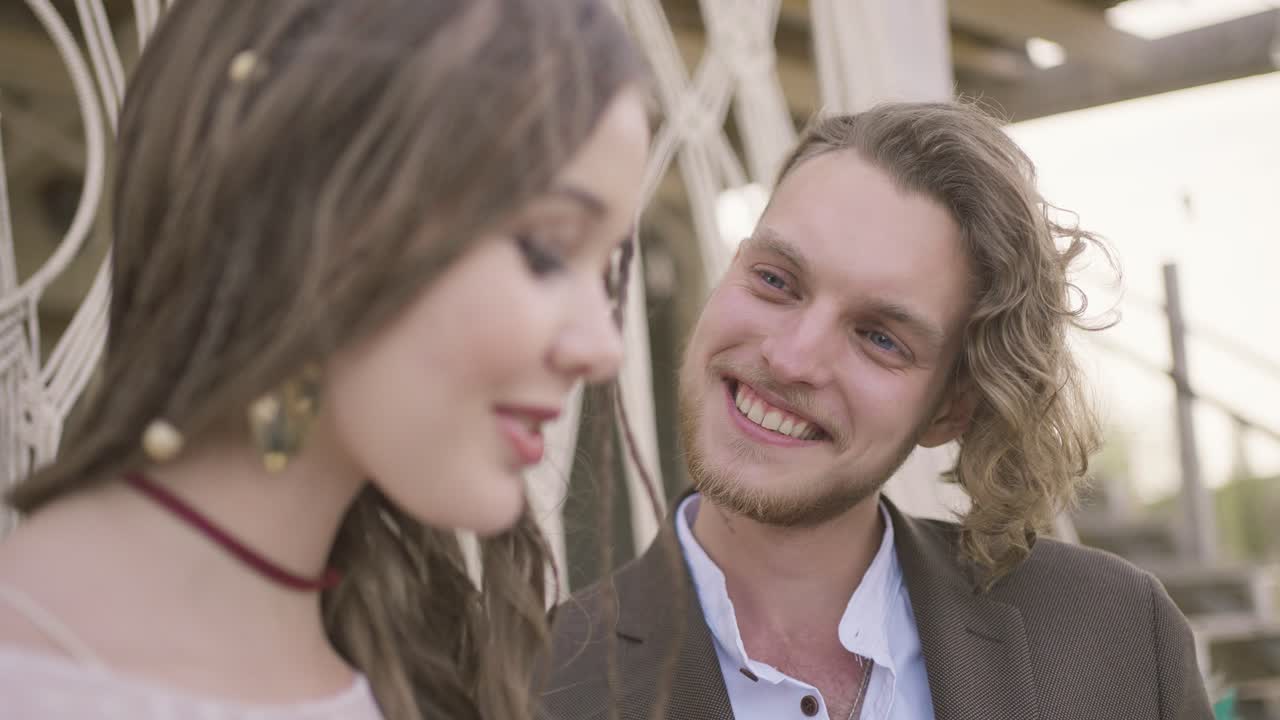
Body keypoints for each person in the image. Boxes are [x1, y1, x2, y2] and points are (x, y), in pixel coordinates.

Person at [0, 1, 650, 719]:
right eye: (547, 249)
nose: (603, 347)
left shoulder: (415, 655)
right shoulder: (34, 672)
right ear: (315, 220)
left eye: (609, 273)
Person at [541, 102, 1213, 720]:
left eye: (880, 337)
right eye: (776, 280)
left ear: (952, 409)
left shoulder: (1119, 637)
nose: (792, 358)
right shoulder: (518, 684)